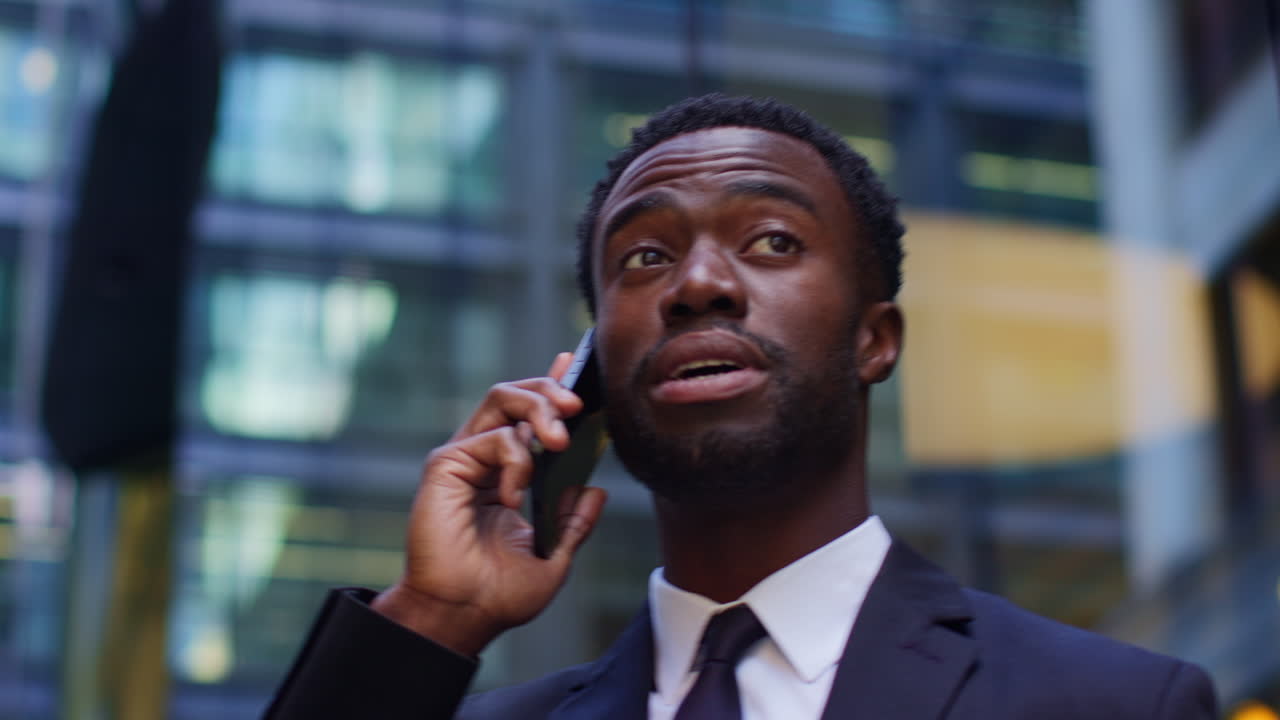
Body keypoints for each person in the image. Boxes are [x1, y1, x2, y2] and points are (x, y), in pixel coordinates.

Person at [264, 94, 1218, 719]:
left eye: (769, 241)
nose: (699, 285)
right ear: (589, 372)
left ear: (873, 340)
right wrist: (432, 617)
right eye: (644, 258)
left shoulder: (1115, 704)